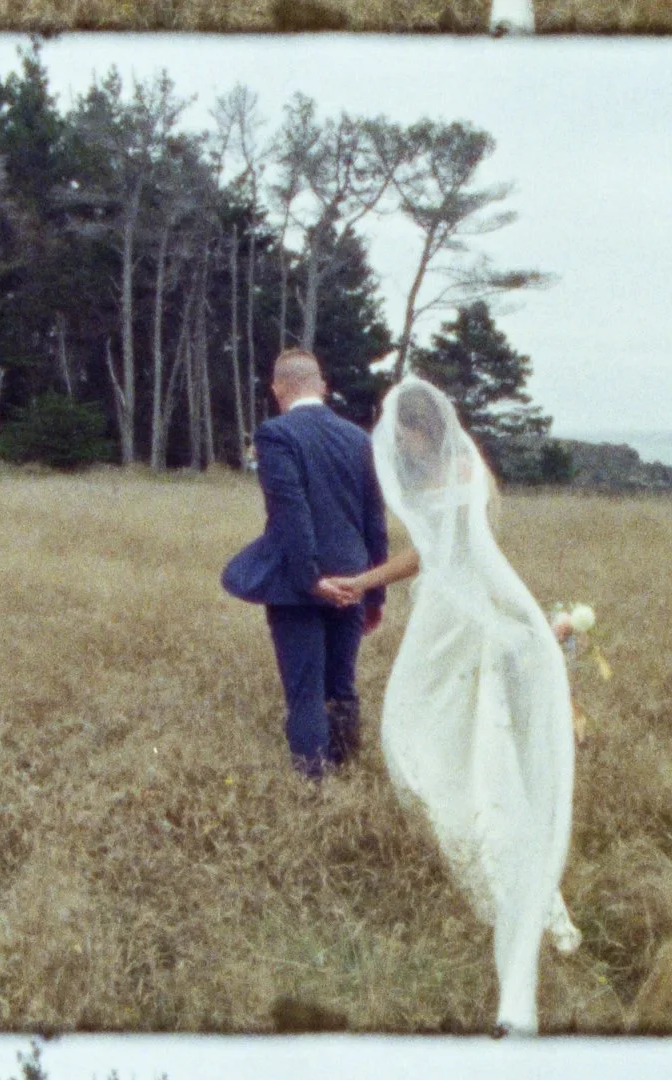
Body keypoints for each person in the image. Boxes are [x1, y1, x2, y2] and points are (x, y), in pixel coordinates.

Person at [314, 376, 581, 1036]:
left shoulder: (458, 468)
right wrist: (366, 581)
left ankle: (481, 844)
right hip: (443, 609)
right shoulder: (453, 466)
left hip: (455, 616)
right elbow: (427, 555)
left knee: (422, 732)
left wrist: (364, 581)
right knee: (428, 731)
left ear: (418, 427)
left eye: (397, 427)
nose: (394, 439)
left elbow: (441, 552)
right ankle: (457, 829)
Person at [220, 349, 389, 779]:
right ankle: (347, 772)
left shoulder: (276, 435)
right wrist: (374, 594)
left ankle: (314, 792)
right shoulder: (359, 440)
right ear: (323, 386)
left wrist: (311, 580)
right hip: (354, 580)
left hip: (298, 586)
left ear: (277, 389)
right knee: (341, 686)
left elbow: (291, 513)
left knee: (305, 693)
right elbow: (375, 523)